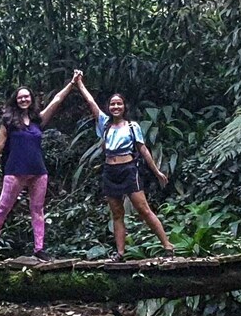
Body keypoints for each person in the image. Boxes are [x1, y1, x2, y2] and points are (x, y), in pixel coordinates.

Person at [73, 69, 175, 261]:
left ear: (124, 107)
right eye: (113, 104)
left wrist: (157, 172)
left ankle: (167, 245)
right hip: (110, 171)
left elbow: (143, 149)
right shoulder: (104, 124)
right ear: (109, 107)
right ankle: (120, 253)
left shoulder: (132, 126)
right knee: (117, 213)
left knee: (143, 209)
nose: (116, 106)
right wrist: (79, 84)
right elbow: (91, 103)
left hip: (128, 169)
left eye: (119, 103)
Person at [0, 79, 75, 261]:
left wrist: (72, 84)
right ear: (15, 100)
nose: (24, 100)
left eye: (27, 97)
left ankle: (39, 249)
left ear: (31, 99)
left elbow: (56, 100)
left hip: (38, 170)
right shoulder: (8, 120)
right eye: (20, 97)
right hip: (15, 170)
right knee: (2, 209)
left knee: (37, 210)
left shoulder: (37, 120)